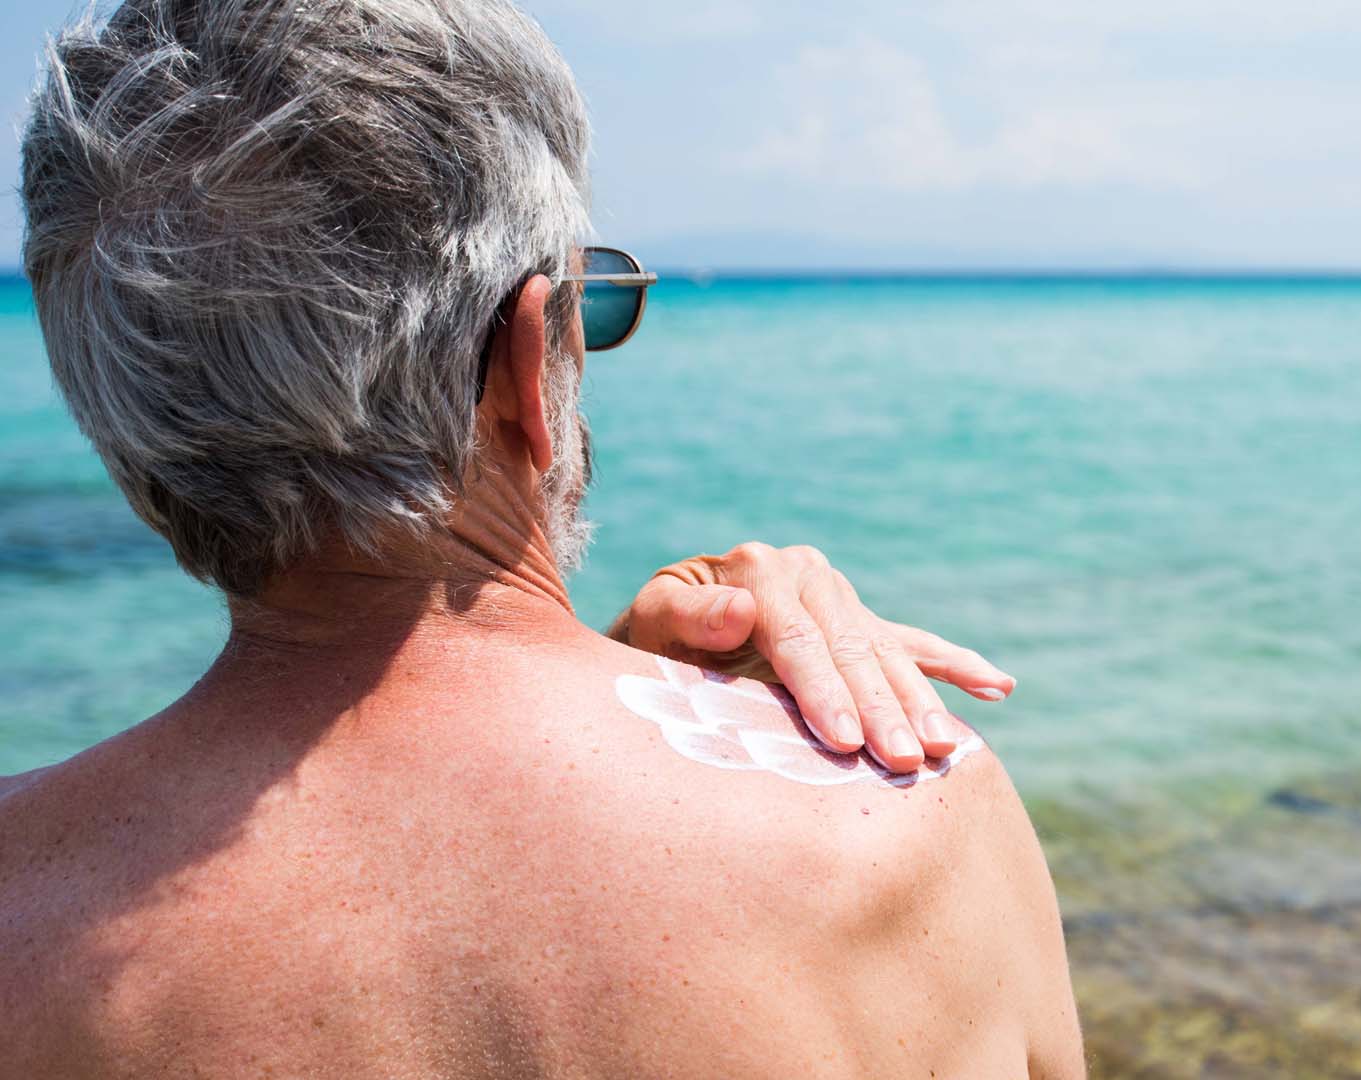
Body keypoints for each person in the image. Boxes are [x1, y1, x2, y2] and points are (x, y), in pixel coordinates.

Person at [0, 0, 1085, 1076]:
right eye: (590, 305)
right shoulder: (914, 815)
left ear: (120, 409)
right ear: (532, 358)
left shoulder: (25, 913)